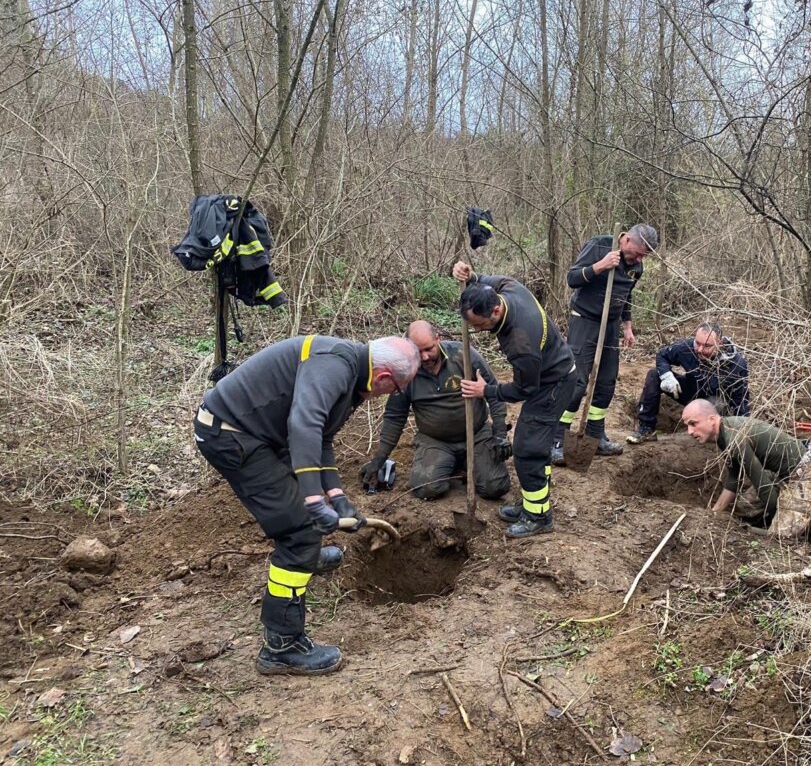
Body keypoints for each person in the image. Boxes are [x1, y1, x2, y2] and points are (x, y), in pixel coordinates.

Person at [193, 334, 420, 676]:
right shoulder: (334, 366)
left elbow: (323, 438)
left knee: (303, 523)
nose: (391, 395)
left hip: (260, 433)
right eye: (397, 390)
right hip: (231, 435)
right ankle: (282, 646)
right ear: (386, 378)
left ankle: (306, 560)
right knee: (299, 530)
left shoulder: (355, 372)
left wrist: (338, 497)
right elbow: (305, 424)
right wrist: (313, 498)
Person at [452, 262, 577, 538]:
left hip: (552, 385)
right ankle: (535, 502)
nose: (480, 330)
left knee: (527, 449)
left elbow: (525, 390)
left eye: (481, 324)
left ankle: (539, 517)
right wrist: (471, 275)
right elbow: (486, 279)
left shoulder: (521, 342)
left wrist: (486, 391)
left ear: (495, 310)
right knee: (534, 445)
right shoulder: (508, 288)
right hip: (550, 371)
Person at [359, 321, 511, 501]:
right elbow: (394, 417)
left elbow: (494, 393)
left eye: (428, 349)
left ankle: (469, 462)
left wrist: (500, 433)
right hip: (436, 440)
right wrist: (379, 460)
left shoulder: (464, 356)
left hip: (476, 435)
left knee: (496, 487)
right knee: (427, 489)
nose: (424, 357)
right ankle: (450, 463)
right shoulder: (405, 370)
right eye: (417, 351)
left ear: (437, 339)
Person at [553, 223, 659, 464]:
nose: (641, 259)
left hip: (610, 325)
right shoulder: (600, 245)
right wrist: (600, 266)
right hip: (586, 320)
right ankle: (557, 439)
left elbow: (627, 293)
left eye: (645, 256)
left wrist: (627, 326)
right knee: (577, 382)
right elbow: (572, 278)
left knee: (606, 382)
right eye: (639, 252)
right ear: (628, 241)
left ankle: (595, 435)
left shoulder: (636, 264)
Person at [681, 399, 811, 538]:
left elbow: (763, 486)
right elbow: (734, 478)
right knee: (744, 508)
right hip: (780, 474)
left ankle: (777, 524)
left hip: (806, 473)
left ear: (712, 419)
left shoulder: (734, 438)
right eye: (687, 425)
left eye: (693, 423)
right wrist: (713, 515)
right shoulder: (725, 433)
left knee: (781, 537)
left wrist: (775, 517)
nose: (689, 431)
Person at [627, 321, 750, 444]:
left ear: (720, 344)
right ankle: (647, 428)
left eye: (707, 346)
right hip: (691, 392)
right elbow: (662, 355)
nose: (700, 350)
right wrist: (667, 376)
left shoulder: (736, 364)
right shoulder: (688, 348)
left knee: (718, 403)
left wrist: (742, 433)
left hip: (714, 403)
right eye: (698, 343)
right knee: (654, 374)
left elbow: (741, 401)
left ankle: (712, 436)